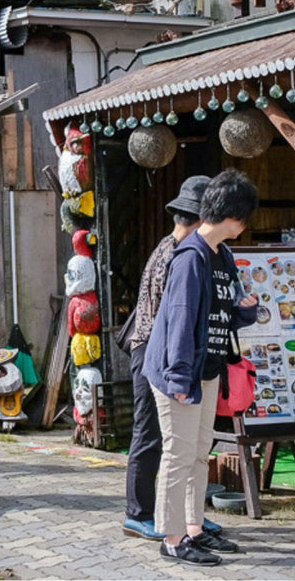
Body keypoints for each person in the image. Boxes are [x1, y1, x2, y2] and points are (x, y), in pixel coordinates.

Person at [145, 169, 261, 566]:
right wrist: (179, 377)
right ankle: (172, 538)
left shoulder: (221, 255)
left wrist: (245, 313)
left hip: (208, 368)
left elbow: (221, 312)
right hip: (181, 372)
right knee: (178, 454)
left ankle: (194, 528)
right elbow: (179, 318)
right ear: (234, 217)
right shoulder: (190, 258)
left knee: (198, 452)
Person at [121, 174, 213, 542]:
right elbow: (172, 318)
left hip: (163, 352)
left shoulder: (172, 246)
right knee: (150, 435)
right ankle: (137, 513)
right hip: (152, 352)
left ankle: (187, 518)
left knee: (175, 441)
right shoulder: (177, 255)